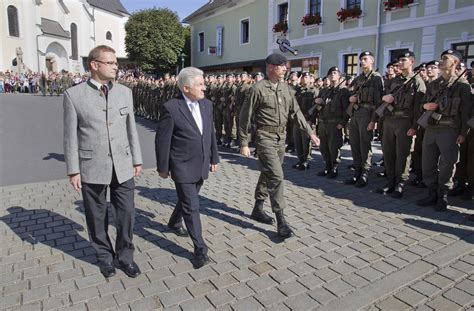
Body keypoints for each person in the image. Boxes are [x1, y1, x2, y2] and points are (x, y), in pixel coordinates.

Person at [63, 45, 143, 278]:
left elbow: (132, 130)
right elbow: (70, 136)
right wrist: (73, 170)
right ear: (95, 65)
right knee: (97, 216)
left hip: (123, 164)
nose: (116, 67)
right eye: (111, 63)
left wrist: (137, 160)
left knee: (126, 213)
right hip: (91, 165)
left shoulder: (124, 92)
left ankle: (125, 256)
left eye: (116, 63)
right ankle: (104, 257)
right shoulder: (73, 95)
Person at [239, 53, 320, 239]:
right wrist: (243, 142)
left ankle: (258, 208)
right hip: (264, 136)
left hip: (281, 137)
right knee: (276, 176)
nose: (285, 68)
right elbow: (245, 117)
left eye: (286, 65)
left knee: (268, 172)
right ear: (270, 67)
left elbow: (297, 112)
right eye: (281, 65)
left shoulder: (286, 88)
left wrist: (310, 133)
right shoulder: (257, 89)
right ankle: (281, 222)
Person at [155, 67, 219, 269]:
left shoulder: (207, 105)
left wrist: (214, 157)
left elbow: (211, 134)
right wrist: (162, 167)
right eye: (200, 84)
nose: (205, 88)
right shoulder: (171, 108)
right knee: (192, 206)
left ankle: (174, 222)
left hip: (200, 164)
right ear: (186, 88)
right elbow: (162, 140)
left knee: (188, 199)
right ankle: (200, 249)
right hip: (181, 165)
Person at [416, 49, 471, 211]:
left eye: (445, 58)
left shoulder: (462, 87)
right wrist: (426, 106)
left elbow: (466, 113)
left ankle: (443, 195)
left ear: (454, 63)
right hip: (432, 128)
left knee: (447, 164)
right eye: (441, 58)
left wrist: (462, 133)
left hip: (450, 130)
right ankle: (432, 193)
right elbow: (422, 105)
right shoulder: (434, 85)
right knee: (428, 163)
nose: (441, 61)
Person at [374, 51, 426, 198]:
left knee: (402, 154)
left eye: (404, 60)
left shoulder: (417, 82)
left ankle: (400, 184)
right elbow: (384, 101)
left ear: (412, 62)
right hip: (390, 121)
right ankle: (390, 181)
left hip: (405, 122)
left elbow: (418, 108)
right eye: (399, 60)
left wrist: (414, 127)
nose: (400, 63)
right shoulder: (395, 80)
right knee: (388, 153)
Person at [346, 51, 383, 187]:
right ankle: (357, 172)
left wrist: (374, 120)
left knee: (365, 145)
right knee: (354, 144)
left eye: (365, 59)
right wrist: (351, 97)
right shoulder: (359, 78)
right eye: (361, 59)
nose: (362, 62)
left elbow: (378, 102)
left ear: (372, 61)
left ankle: (365, 174)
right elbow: (351, 91)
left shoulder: (376, 79)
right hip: (356, 113)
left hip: (368, 114)